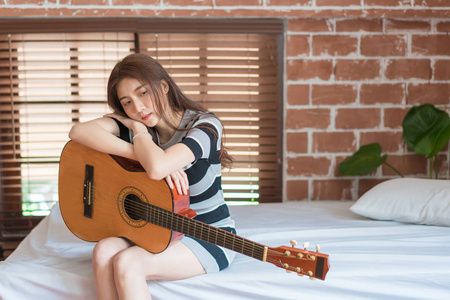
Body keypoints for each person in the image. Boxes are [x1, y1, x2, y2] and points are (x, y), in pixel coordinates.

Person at [69, 53, 236, 300]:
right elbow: (79, 132)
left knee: (129, 263)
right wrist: (138, 142)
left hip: (208, 234)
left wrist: (148, 148)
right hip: (160, 231)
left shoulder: (206, 126)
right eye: (126, 102)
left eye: (143, 93)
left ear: (164, 86)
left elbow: (157, 168)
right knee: (103, 251)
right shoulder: (141, 133)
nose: (138, 108)